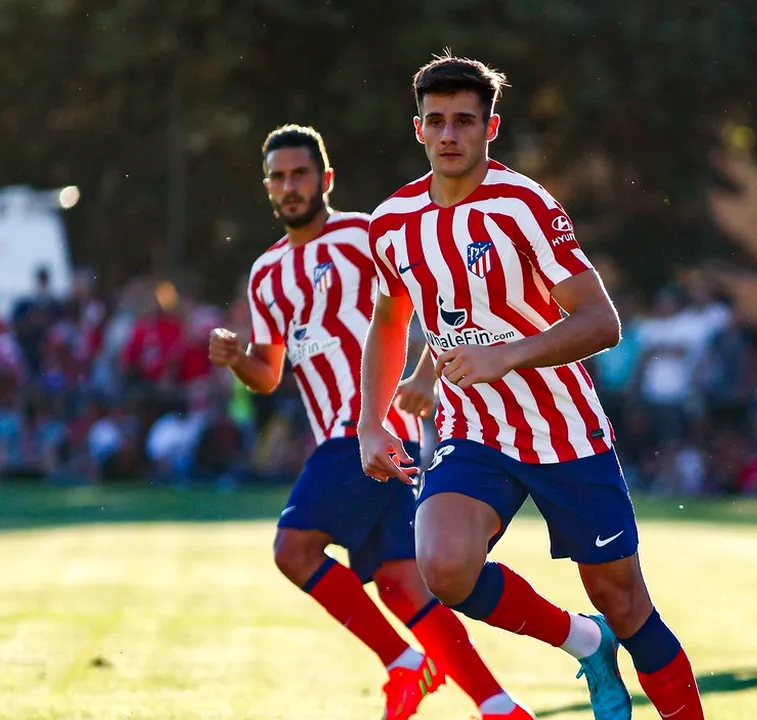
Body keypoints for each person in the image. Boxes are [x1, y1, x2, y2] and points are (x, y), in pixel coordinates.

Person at [358, 55, 706, 720]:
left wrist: (510, 355)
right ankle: (584, 643)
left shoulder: (524, 206)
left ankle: (622, 649)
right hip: (473, 430)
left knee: (626, 603)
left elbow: (601, 322)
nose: (450, 134)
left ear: (491, 128)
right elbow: (393, 316)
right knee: (445, 568)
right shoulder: (391, 222)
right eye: (437, 121)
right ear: (418, 129)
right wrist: (380, 415)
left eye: (465, 120)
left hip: (562, 430)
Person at [210, 124, 531, 720]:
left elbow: (443, 297)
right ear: (267, 188)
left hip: (364, 428)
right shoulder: (265, 274)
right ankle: (500, 707)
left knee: (294, 549)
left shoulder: (364, 233)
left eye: (301, 174)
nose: (290, 186)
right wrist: (239, 362)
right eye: (278, 177)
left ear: (325, 179)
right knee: (401, 584)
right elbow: (269, 372)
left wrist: (423, 375)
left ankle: (404, 663)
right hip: (359, 444)